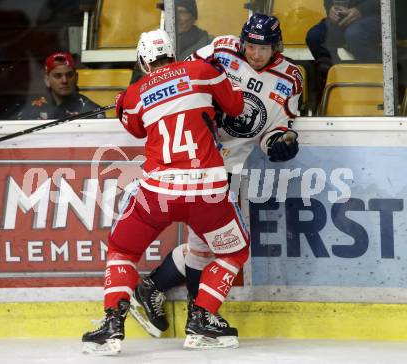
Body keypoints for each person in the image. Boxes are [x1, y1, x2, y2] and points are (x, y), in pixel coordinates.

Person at [130, 13, 302, 347]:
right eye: (251, 45)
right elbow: (178, 77)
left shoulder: (291, 78)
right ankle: (198, 314)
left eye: (263, 47)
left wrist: (281, 143)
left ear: (276, 46)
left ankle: (159, 290)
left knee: (205, 243)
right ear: (242, 41)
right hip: (196, 158)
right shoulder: (221, 50)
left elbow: (278, 128)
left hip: (230, 166)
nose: (255, 53)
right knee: (212, 243)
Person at [81, 28, 249, 355]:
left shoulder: (135, 92)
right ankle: (203, 317)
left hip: (158, 191)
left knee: (123, 250)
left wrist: (122, 103)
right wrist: (228, 78)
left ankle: (112, 323)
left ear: (143, 61)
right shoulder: (202, 71)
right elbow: (236, 106)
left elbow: (135, 126)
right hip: (207, 190)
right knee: (234, 252)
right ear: (173, 52)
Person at [129, 0, 212, 84]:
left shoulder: (209, 44)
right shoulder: (150, 45)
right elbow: (137, 85)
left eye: (182, 12)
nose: (176, 18)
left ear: (193, 16)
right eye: (171, 12)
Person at [10, 52, 104, 120]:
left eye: (69, 75)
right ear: (47, 80)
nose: (64, 80)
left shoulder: (92, 111)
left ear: (76, 77)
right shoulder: (31, 109)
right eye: (58, 76)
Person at [306, 0, 381, 74]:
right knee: (315, 36)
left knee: (354, 34)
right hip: (343, 18)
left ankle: (376, 78)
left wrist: (361, 10)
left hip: (374, 16)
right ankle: (338, 77)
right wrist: (331, 10)